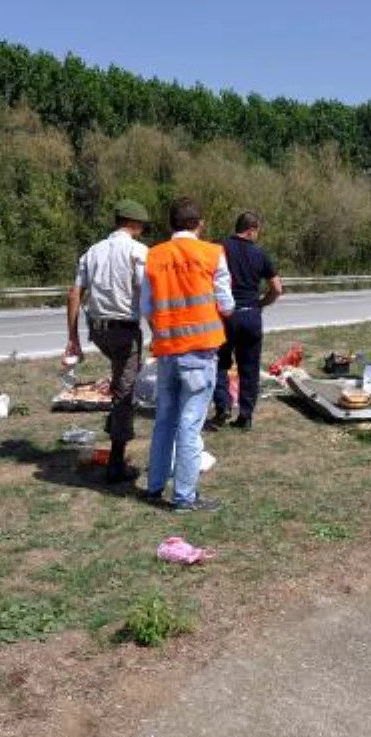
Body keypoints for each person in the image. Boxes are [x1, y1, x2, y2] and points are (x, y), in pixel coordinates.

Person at [139, 197, 235, 512]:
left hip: (167, 351)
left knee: (164, 420)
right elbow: (227, 304)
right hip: (200, 352)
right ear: (200, 223)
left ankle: (154, 487)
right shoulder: (212, 254)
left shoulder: (153, 256)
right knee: (190, 424)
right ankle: (184, 497)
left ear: (171, 224)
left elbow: (146, 308)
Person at [65, 199, 150, 483]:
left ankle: (114, 426)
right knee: (126, 393)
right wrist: (160, 334)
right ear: (135, 224)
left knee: (119, 382)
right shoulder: (139, 252)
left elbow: (74, 294)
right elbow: (147, 297)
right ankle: (116, 462)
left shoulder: (93, 252)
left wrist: (73, 339)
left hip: (98, 331)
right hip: (125, 330)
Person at [208, 211, 283, 431]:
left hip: (225, 315)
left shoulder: (218, 248)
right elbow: (277, 288)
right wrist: (261, 304)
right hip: (250, 314)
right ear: (251, 229)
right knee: (249, 367)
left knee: (220, 362)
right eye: (257, 231)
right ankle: (246, 415)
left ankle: (223, 406)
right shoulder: (260, 254)